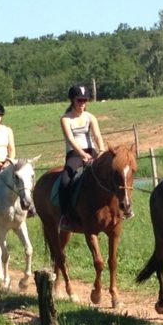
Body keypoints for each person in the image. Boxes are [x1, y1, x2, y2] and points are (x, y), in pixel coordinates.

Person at [58, 83, 106, 232]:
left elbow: (97, 135)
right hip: (74, 154)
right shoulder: (66, 119)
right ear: (72, 100)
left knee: (110, 173)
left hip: (91, 151)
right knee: (65, 180)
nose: (83, 104)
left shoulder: (90, 117)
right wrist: (81, 154)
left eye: (85, 100)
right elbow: (70, 139)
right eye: (79, 100)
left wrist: (102, 150)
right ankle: (65, 216)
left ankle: (121, 208)